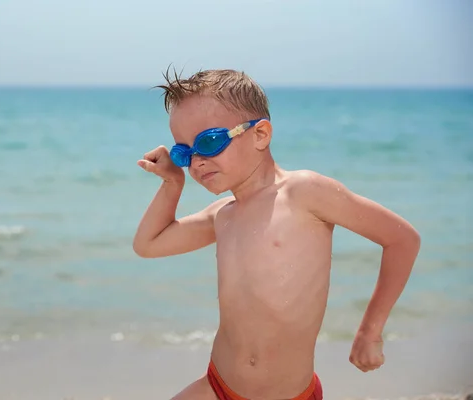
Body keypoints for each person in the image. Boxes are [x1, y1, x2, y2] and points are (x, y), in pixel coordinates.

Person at [132, 68, 421, 400]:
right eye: (185, 153)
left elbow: (402, 239)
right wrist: (172, 183)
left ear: (260, 135)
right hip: (218, 385)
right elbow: (148, 245)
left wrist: (370, 332)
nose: (196, 162)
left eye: (209, 142)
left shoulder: (304, 193)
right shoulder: (222, 215)